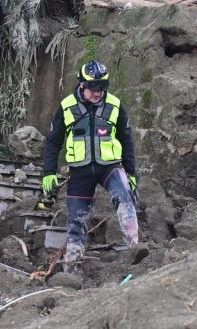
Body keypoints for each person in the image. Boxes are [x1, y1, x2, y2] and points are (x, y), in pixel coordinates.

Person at [42, 60, 148, 274]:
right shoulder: (66, 107)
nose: (98, 93)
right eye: (93, 88)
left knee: (125, 197)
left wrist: (131, 173)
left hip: (110, 167)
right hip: (80, 172)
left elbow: (126, 141)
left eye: (102, 88)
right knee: (76, 221)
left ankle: (135, 247)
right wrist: (48, 173)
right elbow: (53, 142)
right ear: (82, 85)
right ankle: (71, 270)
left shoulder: (115, 106)